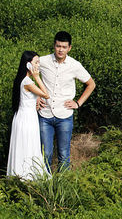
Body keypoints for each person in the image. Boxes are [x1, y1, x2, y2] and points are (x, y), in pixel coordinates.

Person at [36, 31, 95, 173]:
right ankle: (46, 187)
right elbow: (26, 76)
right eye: (58, 46)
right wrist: (35, 96)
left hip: (65, 116)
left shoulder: (75, 65)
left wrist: (78, 103)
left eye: (64, 47)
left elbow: (91, 84)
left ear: (69, 48)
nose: (60, 50)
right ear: (54, 45)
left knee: (64, 155)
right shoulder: (42, 61)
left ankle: (63, 187)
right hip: (45, 115)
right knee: (46, 154)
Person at [7, 51, 50, 180]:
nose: (38, 66)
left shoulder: (24, 80)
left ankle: (23, 178)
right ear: (28, 65)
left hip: (27, 117)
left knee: (28, 147)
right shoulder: (27, 82)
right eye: (36, 63)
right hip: (26, 120)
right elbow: (46, 94)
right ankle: (25, 178)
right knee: (26, 147)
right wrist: (37, 77)